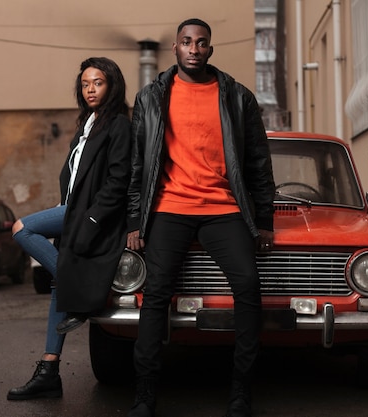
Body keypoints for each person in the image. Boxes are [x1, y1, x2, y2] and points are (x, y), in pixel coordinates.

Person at [125, 18, 275, 417]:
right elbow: (138, 164)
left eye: (201, 42)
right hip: (170, 208)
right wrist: (134, 220)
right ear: (175, 48)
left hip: (224, 209)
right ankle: (144, 395)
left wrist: (264, 222)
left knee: (247, 286)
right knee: (155, 293)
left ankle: (241, 393)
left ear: (210, 49)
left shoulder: (237, 97)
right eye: (186, 42)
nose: (194, 48)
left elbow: (259, 164)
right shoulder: (151, 98)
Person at [7, 57, 131, 400]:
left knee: (21, 228)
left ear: (112, 85)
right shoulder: (86, 125)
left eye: (98, 83)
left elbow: (119, 180)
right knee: (60, 287)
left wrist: (91, 218)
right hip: (72, 209)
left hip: (88, 215)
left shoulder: (119, 125)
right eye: (85, 84)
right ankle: (49, 371)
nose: (90, 89)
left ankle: (71, 277)